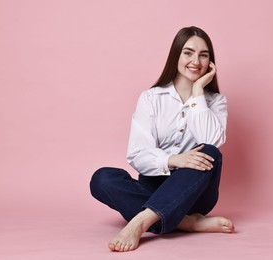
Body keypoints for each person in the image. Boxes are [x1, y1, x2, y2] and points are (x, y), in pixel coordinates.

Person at [90, 26, 235, 252]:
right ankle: (186, 222)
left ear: (210, 62)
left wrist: (198, 92)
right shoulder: (151, 98)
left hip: (194, 192)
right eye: (188, 52)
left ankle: (140, 221)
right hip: (154, 186)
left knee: (211, 153)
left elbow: (211, 142)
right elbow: (138, 154)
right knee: (102, 178)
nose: (195, 60)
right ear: (175, 54)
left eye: (203, 55)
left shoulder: (216, 101)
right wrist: (175, 160)